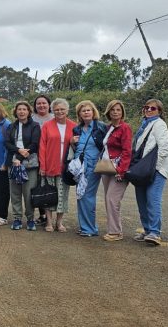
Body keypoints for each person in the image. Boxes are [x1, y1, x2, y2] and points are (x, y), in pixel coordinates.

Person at [131, 99, 168, 247]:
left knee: (152, 199)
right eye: (146, 107)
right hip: (143, 168)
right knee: (142, 200)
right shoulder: (145, 125)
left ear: (159, 111)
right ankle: (148, 229)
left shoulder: (159, 124)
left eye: (152, 108)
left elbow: (164, 147)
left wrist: (155, 168)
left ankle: (155, 232)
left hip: (155, 169)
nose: (148, 110)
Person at [38, 98, 77, 232]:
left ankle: (59, 222)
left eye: (62, 109)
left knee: (62, 195)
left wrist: (73, 142)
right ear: (53, 111)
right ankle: (49, 222)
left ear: (67, 110)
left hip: (65, 166)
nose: (59, 112)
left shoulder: (74, 126)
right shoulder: (47, 125)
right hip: (49, 164)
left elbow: (78, 145)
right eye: (57, 110)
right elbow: (42, 146)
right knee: (49, 194)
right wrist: (42, 166)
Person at [99, 100, 133, 241]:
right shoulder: (108, 128)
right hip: (107, 167)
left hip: (119, 168)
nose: (115, 112)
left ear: (122, 112)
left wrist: (121, 170)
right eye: (112, 109)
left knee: (112, 199)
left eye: (118, 109)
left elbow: (127, 151)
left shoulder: (125, 128)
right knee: (109, 200)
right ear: (108, 112)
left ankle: (115, 232)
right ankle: (113, 229)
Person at [72, 100, 107, 237]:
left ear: (93, 112)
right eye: (83, 110)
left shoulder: (101, 127)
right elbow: (77, 147)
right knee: (80, 195)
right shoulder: (77, 129)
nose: (86, 112)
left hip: (93, 166)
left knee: (88, 195)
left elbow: (106, 146)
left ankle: (90, 228)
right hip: (78, 167)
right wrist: (71, 142)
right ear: (79, 114)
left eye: (88, 110)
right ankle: (85, 226)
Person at [5, 101, 41, 231]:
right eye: (19, 109)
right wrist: (18, 151)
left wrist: (20, 157)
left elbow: (35, 144)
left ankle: (31, 219)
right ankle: (17, 218)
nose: (21, 111)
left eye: (24, 109)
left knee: (28, 193)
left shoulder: (35, 126)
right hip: (13, 161)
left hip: (29, 163)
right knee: (15, 192)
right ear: (16, 112)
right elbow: (7, 143)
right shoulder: (11, 126)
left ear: (29, 111)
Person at [32, 95, 54, 225]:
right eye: (38, 103)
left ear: (49, 104)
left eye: (44, 103)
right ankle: (42, 215)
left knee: (48, 184)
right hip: (34, 156)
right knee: (38, 185)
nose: (41, 105)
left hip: (49, 155)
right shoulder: (32, 118)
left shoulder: (54, 118)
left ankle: (49, 214)